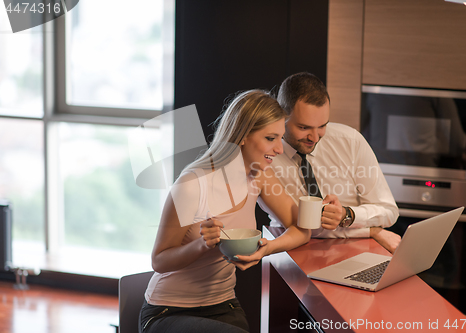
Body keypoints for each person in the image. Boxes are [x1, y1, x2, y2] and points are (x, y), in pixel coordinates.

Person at [139, 90, 318, 333]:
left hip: (224, 304)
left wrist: (267, 249)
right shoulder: (192, 185)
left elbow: (301, 230)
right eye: (270, 138)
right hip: (168, 310)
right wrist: (201, 244)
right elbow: (159, 260)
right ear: (243, 135)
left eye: (280, 138)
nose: (279, 148)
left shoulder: (260, 176)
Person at [259, 72, 401, 253]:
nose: (314, 137)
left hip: (353, 249)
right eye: (304, 127)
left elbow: (389, 211)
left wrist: (347, 215)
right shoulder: (265, 153)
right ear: (282, 116)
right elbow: (303, 226)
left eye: (322, 126)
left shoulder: (350, 141)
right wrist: (372, 230)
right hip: (290, 250)